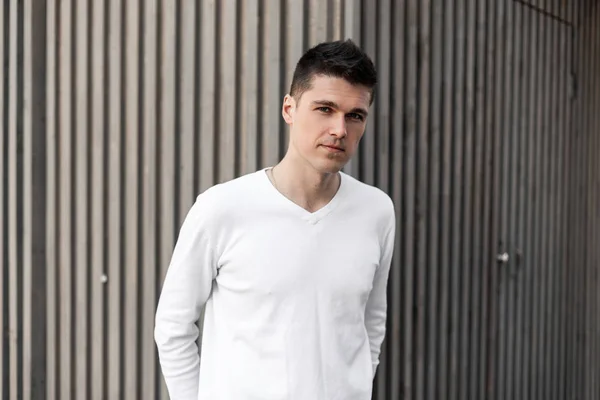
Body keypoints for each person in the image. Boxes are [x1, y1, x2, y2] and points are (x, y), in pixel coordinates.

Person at [154, 39, 396, 400]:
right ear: (289, 109)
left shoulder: (376, 210)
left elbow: (371, 321)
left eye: (354, 115)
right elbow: (173, 328)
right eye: (324, 109)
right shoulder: (223, 208)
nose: (339, 130)